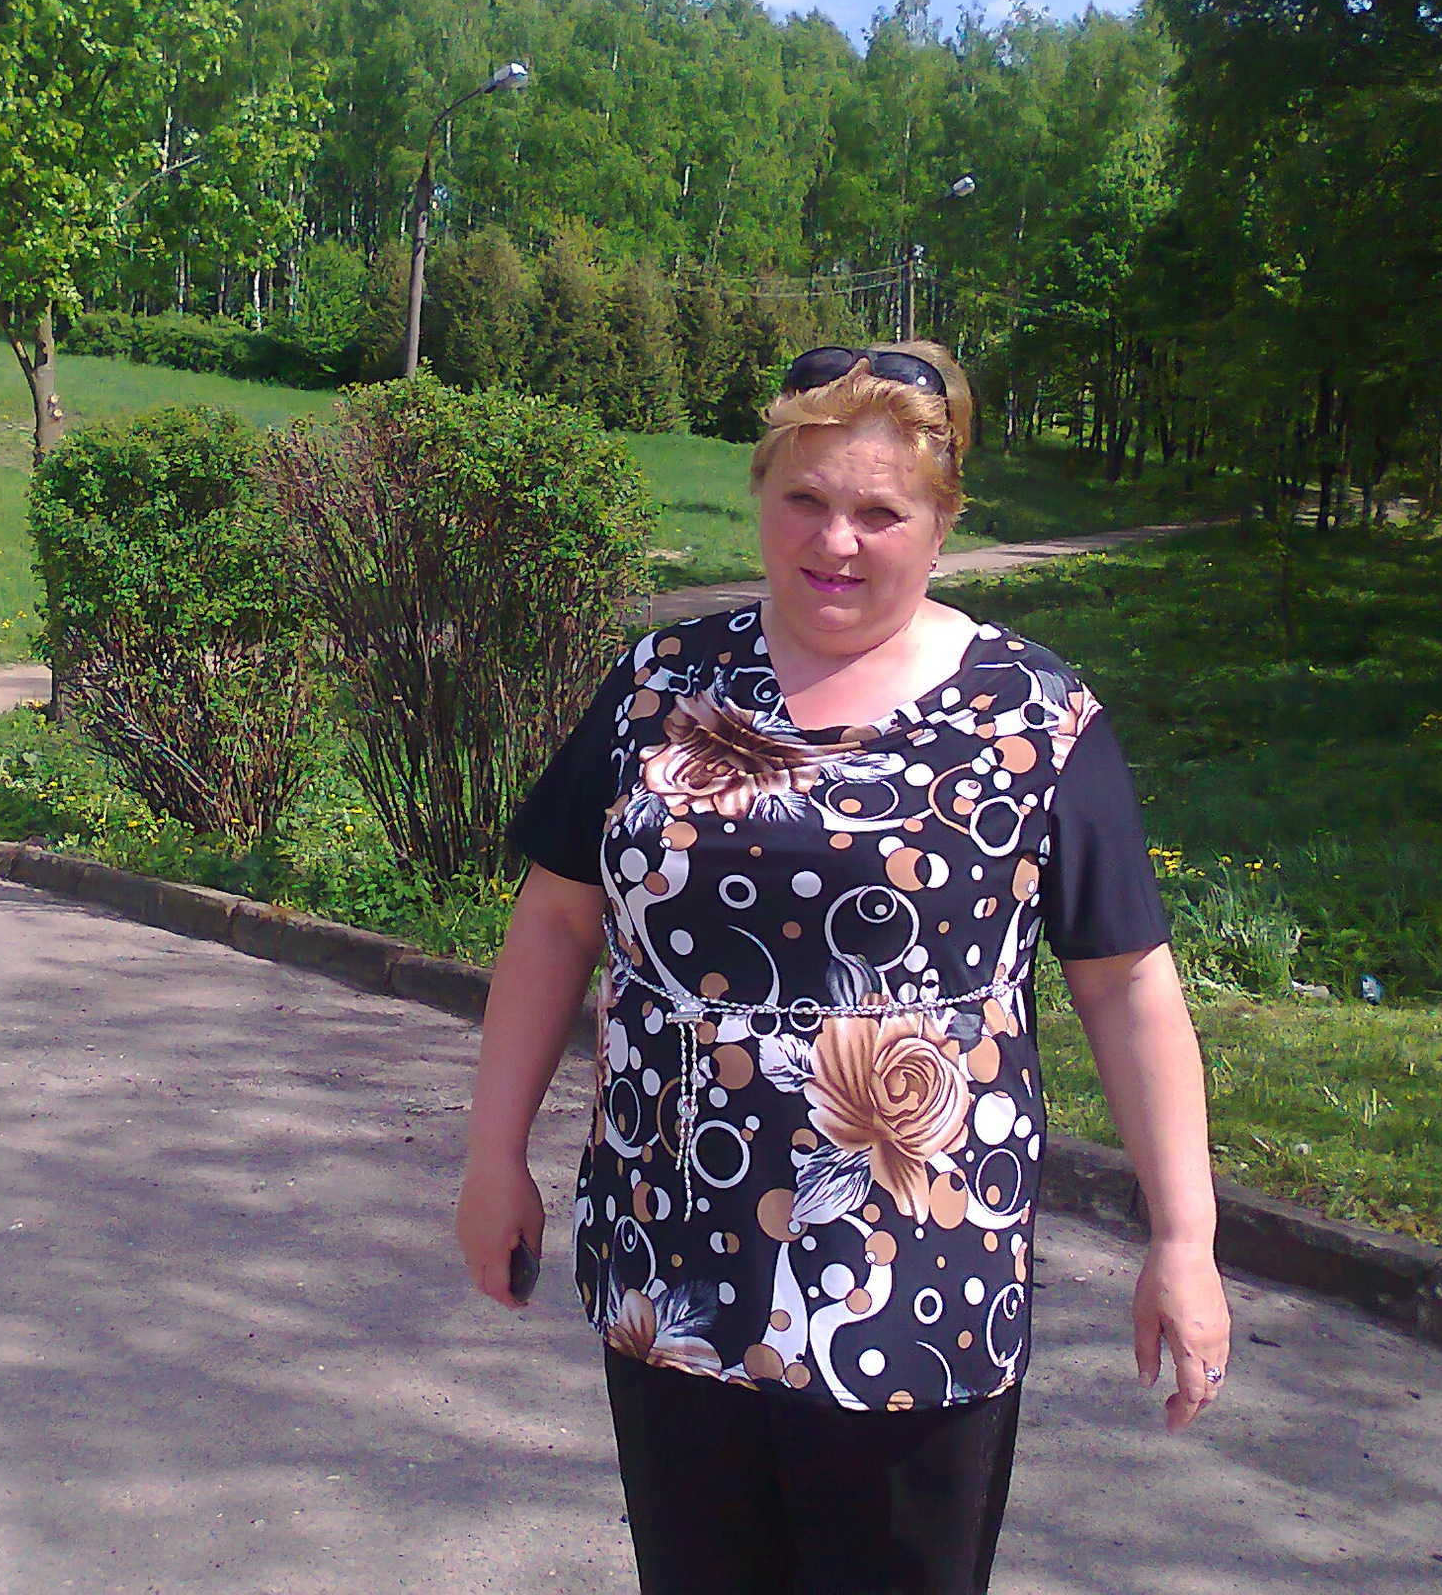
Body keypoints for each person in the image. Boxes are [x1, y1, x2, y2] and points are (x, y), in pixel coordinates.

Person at [457, 343, 1229, 1595]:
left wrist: (1184, 1237)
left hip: (914, 1284)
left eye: (881, 511)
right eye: (806, 499)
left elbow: (1126, 985)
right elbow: (553, 921)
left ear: (942, 521)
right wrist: (493, 1156)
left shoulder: (1034, 717)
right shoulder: (659, 683)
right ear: (760, 493)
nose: (836, 541)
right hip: (672, 1260)